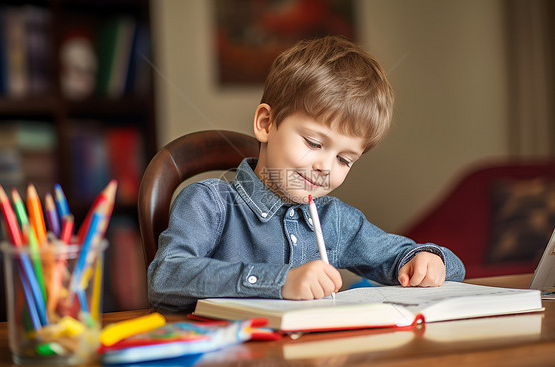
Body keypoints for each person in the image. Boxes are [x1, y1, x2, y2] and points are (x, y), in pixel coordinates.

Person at [147, 36, 465, 310]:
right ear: (266, 124)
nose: (325, 166)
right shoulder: (209, 203)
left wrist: (427, 259)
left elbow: (419, 260)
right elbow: (165, 277)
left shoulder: (334, 221)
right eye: (314, 143)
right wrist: (280, 282)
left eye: (344, 160)